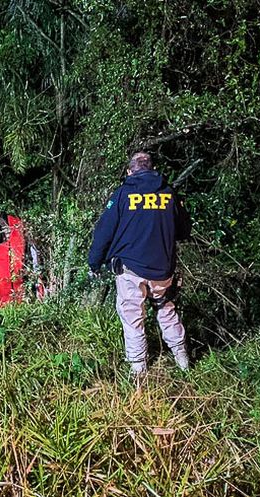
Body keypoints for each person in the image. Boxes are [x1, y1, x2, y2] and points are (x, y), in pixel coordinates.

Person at [87, 152, 192, 375]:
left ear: (129, 172)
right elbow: (184, 230)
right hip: (162, 268)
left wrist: (94, 262)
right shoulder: (168, 193)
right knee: (166, 309)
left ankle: (138, 370)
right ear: (152, 169)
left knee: (132, 316)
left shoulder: (123, 194)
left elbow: (104, 231)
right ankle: (183, 361)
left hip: (130, 269)